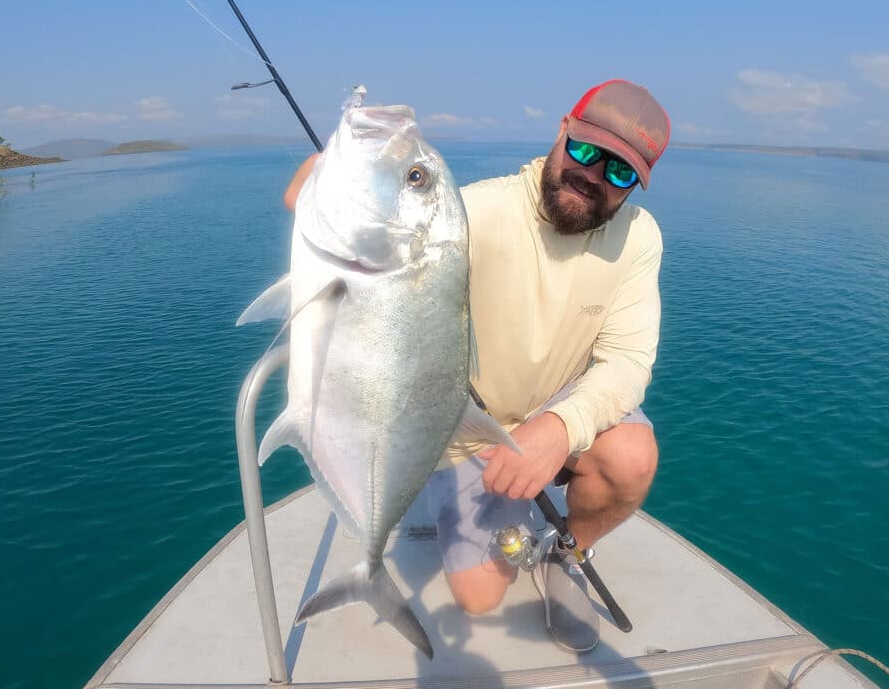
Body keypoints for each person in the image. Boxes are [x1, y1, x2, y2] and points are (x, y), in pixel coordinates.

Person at [284, 79, 668, 654]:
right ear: (562, 130)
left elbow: (628, 361)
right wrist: (322, 192)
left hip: (561, 404)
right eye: (586, 151)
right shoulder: (476, 212)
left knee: (632, 458)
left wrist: (559, 427)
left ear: (635, 185)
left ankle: (567, 552)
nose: (592, 175)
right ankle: (415, 553)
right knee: (478, 598)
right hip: (469, 431)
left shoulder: (638, 237)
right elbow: (388, 238)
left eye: (618, 171)